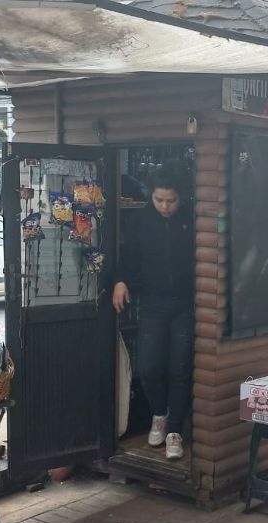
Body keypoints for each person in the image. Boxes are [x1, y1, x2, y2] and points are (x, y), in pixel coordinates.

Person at [112, 162, 194, 460]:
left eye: (171, 201)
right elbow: (129, 256)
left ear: (181, 198)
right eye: (159, 200)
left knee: (180, 367)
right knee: (148, 367)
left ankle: (174, 430)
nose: (165, 206)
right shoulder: (142, 221)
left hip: (185, 304)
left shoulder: (192, 218)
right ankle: (158, 413)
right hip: (153, 303)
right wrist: (120, 280)